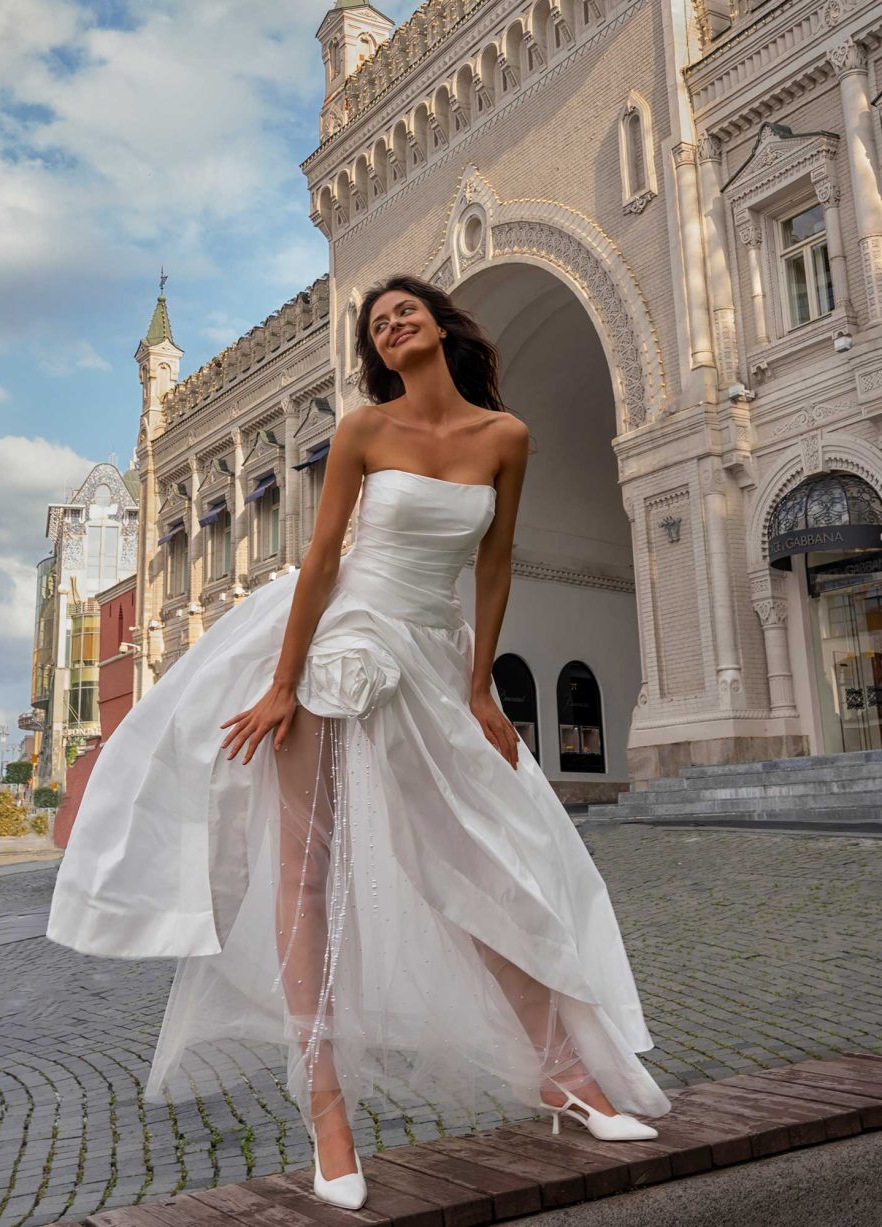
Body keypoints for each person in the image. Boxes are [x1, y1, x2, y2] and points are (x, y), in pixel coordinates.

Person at [47, 274, 671, 1212]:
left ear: (439, 324)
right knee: (306, 876)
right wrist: (283, 681)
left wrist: (479, 685)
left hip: (430, 653)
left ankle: (561, 1072)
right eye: (376, 324)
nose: (390, 325)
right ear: (375, 351)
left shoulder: (506, 438)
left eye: (403, 311)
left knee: (480, 863)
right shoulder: (360, 433)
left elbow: (493, 565)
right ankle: (326, 1108)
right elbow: (323, 558)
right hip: (341, 637)